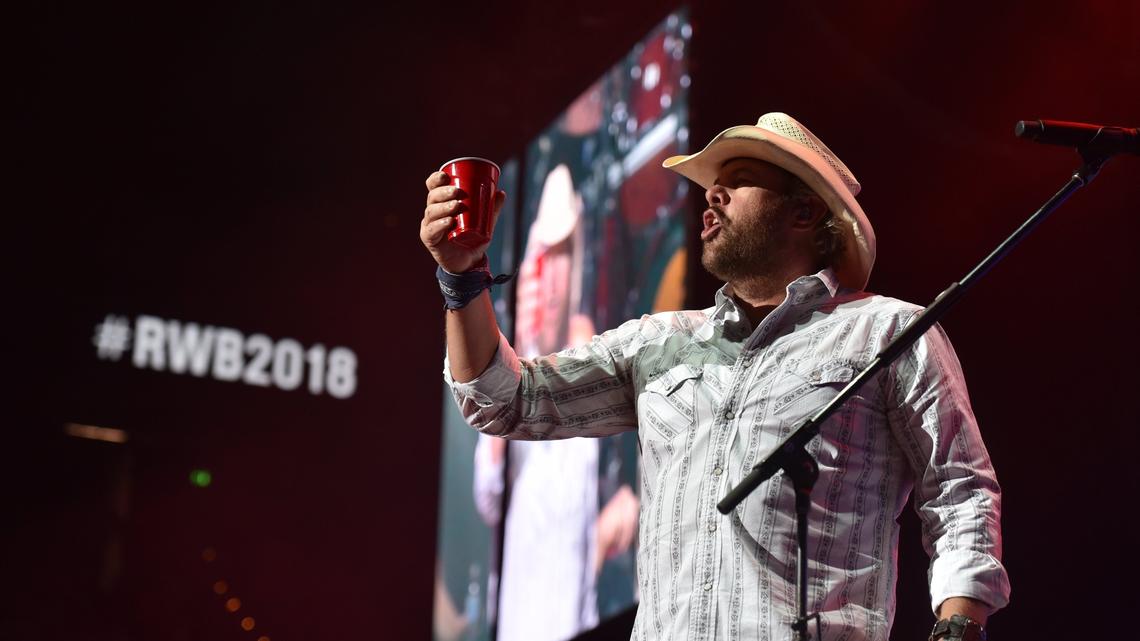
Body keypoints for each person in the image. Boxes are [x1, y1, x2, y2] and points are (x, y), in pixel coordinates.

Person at [421, 112, 1010, 641]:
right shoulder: (658, 342)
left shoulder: (888, 332)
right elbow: (504, 400)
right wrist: (463, 278)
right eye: (710, 184)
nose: (713, 195)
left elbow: (960, 490)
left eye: (739, 179)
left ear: (803, 212)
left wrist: (958, 628)